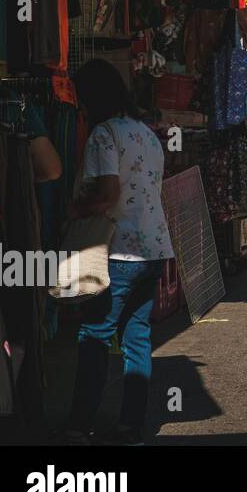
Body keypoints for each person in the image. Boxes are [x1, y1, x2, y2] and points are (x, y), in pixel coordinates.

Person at [64, 59, 175, 446]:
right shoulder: (145, 133)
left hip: (120, 251)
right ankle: (131, 427)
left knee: (94, 335)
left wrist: (74, 210)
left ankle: (79, 424)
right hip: (154, 247)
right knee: (136, 337)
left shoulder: (103, 135)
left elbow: (109, 195)